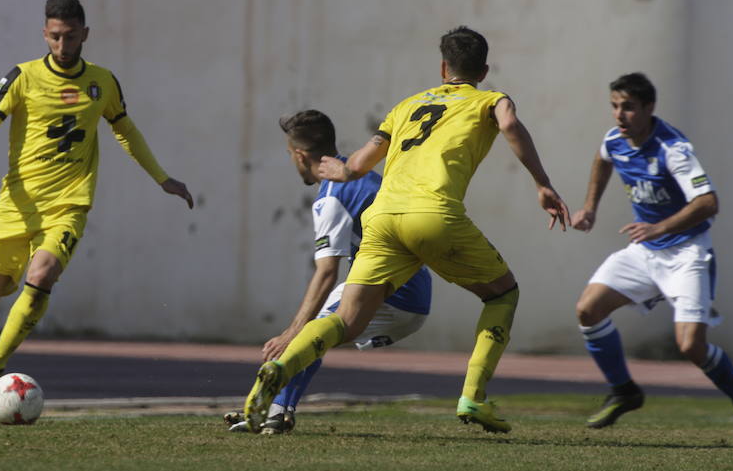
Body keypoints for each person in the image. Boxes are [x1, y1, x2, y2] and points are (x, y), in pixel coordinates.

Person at [242, 26, 570, 434]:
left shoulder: (407, 105)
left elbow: (359, 164)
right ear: (483, 70)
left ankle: (280, 366)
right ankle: (473, 397)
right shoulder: (491, 99)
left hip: (382, 219)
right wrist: (542, 182)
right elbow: (511, 126)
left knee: (347, 318)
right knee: (504, 293)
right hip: (433, 215)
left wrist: (342, 170)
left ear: (442, 67)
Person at [0, 0, 193, 424]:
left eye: (71, 36)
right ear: (45, 34)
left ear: (85, 34)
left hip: (67, 205)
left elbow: (126, 132)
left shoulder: (102, 82)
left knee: (41, 276)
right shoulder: (22, 76)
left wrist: (163, 178)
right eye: (55, 36)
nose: (62, 45)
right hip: (15, 207)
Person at [225, 110, 432, 434]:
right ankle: (277, 407)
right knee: (316, 328)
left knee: (309, 331)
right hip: (410, 286)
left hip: (396, 295)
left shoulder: (333, 195)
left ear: (299, 154)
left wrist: (290, 332)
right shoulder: (359, 174)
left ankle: (273, 409)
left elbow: (326, 272)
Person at [572, 72, 733, 432]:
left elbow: (708, 202)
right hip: (644, 252)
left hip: (687, 254)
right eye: (615, 106)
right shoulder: (615, 140)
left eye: (629, 108)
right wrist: (590, 207)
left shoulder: (673, 149)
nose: (619, 115)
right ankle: (624, 391)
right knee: (588, 309)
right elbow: (602, 160)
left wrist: (659, 227)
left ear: (649, 108)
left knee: (690, 346)